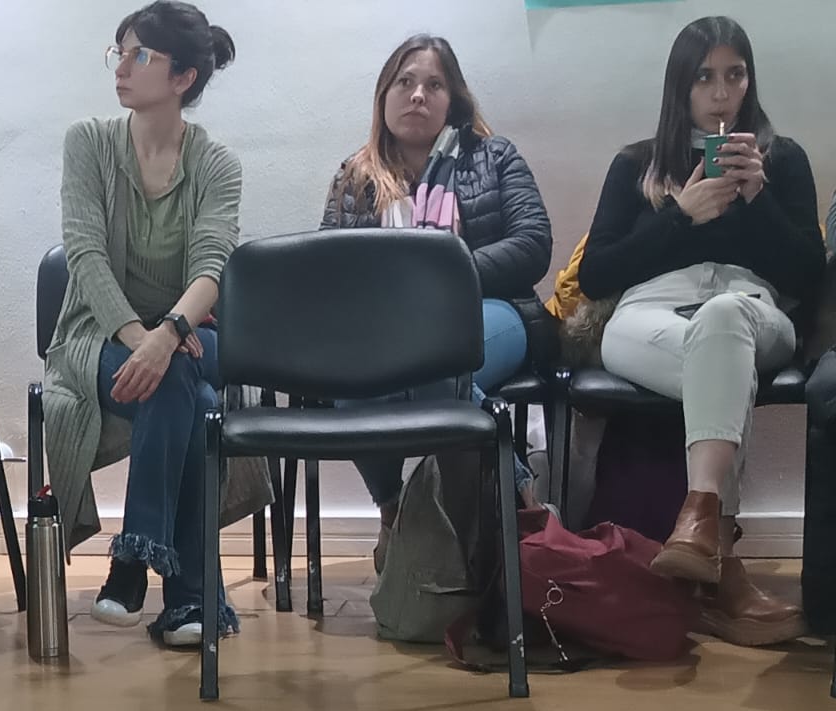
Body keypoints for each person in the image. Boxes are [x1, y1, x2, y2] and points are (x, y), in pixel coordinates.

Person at [579, 16, 824, 647]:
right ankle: (721, 559)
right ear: (679, 86)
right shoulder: (636, 163)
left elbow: (809, 277)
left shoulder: (783, 159)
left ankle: (702, 529)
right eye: (705, 77)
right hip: (649, 314)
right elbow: (597, 274)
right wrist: (678, 217)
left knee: (723, 320)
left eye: (734, 75)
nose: (721, 93)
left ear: (749, 80)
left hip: (749, 309)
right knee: (720, 362)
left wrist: (759, 200)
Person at [43, 1, 254, 648]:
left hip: (192, 332)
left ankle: (134, 561)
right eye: (119, 52)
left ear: (184, 77)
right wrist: (144, 340)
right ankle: (190, 598)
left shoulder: (217, 164)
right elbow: (84, 254)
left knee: (182, 371)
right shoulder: (89, 143)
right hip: (97, 335)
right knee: (191, 392)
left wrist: (168, 334)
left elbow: (212, 265)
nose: (121, 66)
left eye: (139, 55)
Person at [320, 34, 552, 570]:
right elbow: (332, 271)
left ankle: (501, 512)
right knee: (352, 380)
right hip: (386, 334)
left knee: (437, 361)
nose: (418, 95)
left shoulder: (494, 156)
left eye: (434, 85)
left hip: (489, 312)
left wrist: (443, 278)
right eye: (405, 82)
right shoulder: (355, 175)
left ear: (455, 100)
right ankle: (396, 509)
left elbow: (532, 244)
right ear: (384, 96)